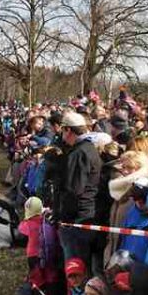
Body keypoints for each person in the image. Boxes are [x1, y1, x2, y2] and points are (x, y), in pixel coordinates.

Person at [56, 112, 103, 273]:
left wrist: (63, 217)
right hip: (86, 215)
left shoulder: (79, 153)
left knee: (76, 270)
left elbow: (74, 190)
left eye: (63, 130)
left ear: (68, 130)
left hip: (77, 220)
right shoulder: (88, 148)